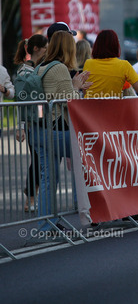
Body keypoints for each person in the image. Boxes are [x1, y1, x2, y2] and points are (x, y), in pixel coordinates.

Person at [35, 30, 92, 231]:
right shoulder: (59, 68)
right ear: (68, 48)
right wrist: (77, 87)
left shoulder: (41, 66)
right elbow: (71, 101)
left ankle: (45, 225)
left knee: (48, 179)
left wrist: (75, 86)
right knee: (90, 158)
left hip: (40, 129)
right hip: (57, 129)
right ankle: (93, 212)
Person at [13, 34, 48, 212]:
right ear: (36, 49)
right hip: (32, 123)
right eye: (45, 48)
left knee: (40, 159)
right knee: (37, 159)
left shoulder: (39, 68)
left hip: (41, 120)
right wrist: (20, 127)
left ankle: (34, 196)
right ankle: (31, 197)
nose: (47, 51)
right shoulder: (24, 71)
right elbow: (21, 100)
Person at [84, 30, 138, 98]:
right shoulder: (124, 65)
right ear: (115, 45)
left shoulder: (88, 63)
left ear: (97, 45)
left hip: (90, 109)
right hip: (112, 108)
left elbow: (85, 91)